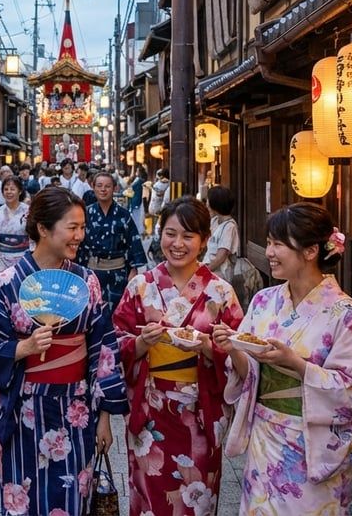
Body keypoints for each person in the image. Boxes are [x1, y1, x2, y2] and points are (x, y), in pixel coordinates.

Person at [0, 187, 129, 516]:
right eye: (72, 227)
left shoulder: (89, 283)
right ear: (43, 228)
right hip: (25, 406)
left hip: (77, 408)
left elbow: (103, 351)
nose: (80, 236)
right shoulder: (7, 282)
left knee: (72, 497)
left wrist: (104, 418)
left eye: (82, 227)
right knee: (23, 501)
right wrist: (21, 347)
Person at [212, 203, 352, 515]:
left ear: (311, 251)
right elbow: (248, 374)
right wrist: (232, 348)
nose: (269, 252)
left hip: (311, 444)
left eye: (278, 244)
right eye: (269, 242)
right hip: (265, 438)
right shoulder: (264, 301)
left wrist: (297, 365)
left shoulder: (345, 313)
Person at [112, 197, 244, 515]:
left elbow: (240, 352)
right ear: (160, 234)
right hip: (151, 408)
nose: (178, 244)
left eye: (188, 236)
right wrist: (141, 343)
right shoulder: (140, 286)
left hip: (200, 410)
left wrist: (209, 348)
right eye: (170, 233)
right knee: (151, 494)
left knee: (197, 495)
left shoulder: (221, 292)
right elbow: (116, 342)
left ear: (205, 240)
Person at [76, 171, 147, 310]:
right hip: (92, 272)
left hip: (118, 273)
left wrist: (133, 270)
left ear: (115, 188)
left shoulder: (124, 215)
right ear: (93, 187)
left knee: (118, 312)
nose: (103, 189)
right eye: (99, 185)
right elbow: (78, 242)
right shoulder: (85, 214)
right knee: (91, 312)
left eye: (107, 186)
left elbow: (133, 242)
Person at [0, 176, 30, 283]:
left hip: (23, 257)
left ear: (20, 191)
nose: (9, 192)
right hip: (2, 260)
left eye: (12, 189)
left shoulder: (28, 211)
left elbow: (34, 237)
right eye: (6, 189)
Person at [204, 185, 239, 286]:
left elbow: (221, 256)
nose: (206, 204)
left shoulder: (229, 226)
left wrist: (205, 271)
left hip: (220, 275)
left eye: (208, 201)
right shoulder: (214, 221)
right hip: (210, 270)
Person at [126, 166, 147, 238]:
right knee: (136, 216)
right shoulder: (138, 180)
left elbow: (131, 188)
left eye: (137, 171)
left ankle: (138, 232)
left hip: (137, 199)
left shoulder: (140, 181)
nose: (136, 172)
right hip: (135, 199)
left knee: (137, 216)